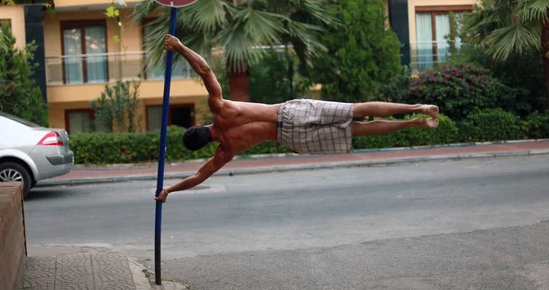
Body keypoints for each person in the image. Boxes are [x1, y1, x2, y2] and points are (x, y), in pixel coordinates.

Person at [156, 35, 439, 203]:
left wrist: (169, 189)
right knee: (357, 108)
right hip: (290, 112)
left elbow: (197, 177)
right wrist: (180, 46)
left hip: (290, 138)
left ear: (204, 146)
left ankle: (414, 123)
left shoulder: (225, 152)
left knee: (357, 130)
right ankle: (418, 107)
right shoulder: (220, 108)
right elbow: (206, 70)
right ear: (198, 126)